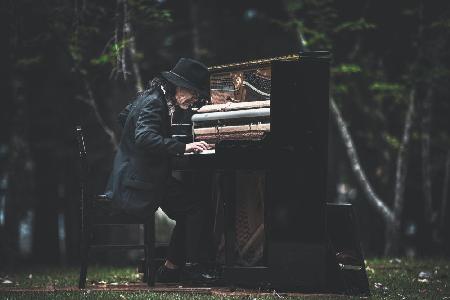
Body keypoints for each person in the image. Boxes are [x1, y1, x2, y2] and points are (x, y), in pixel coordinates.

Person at [105, 58, 213, 283]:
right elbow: (144, 137)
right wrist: (182, 146)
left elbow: (124, 118)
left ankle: (172, 269)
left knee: (193, 204)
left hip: (140, 175)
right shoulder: (155, 101)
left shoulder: (150, 96)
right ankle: (189, 269)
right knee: (195, 206)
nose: (194, 99)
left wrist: (150, 147)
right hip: (140, 182)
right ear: (180, 87)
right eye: (194, 93)